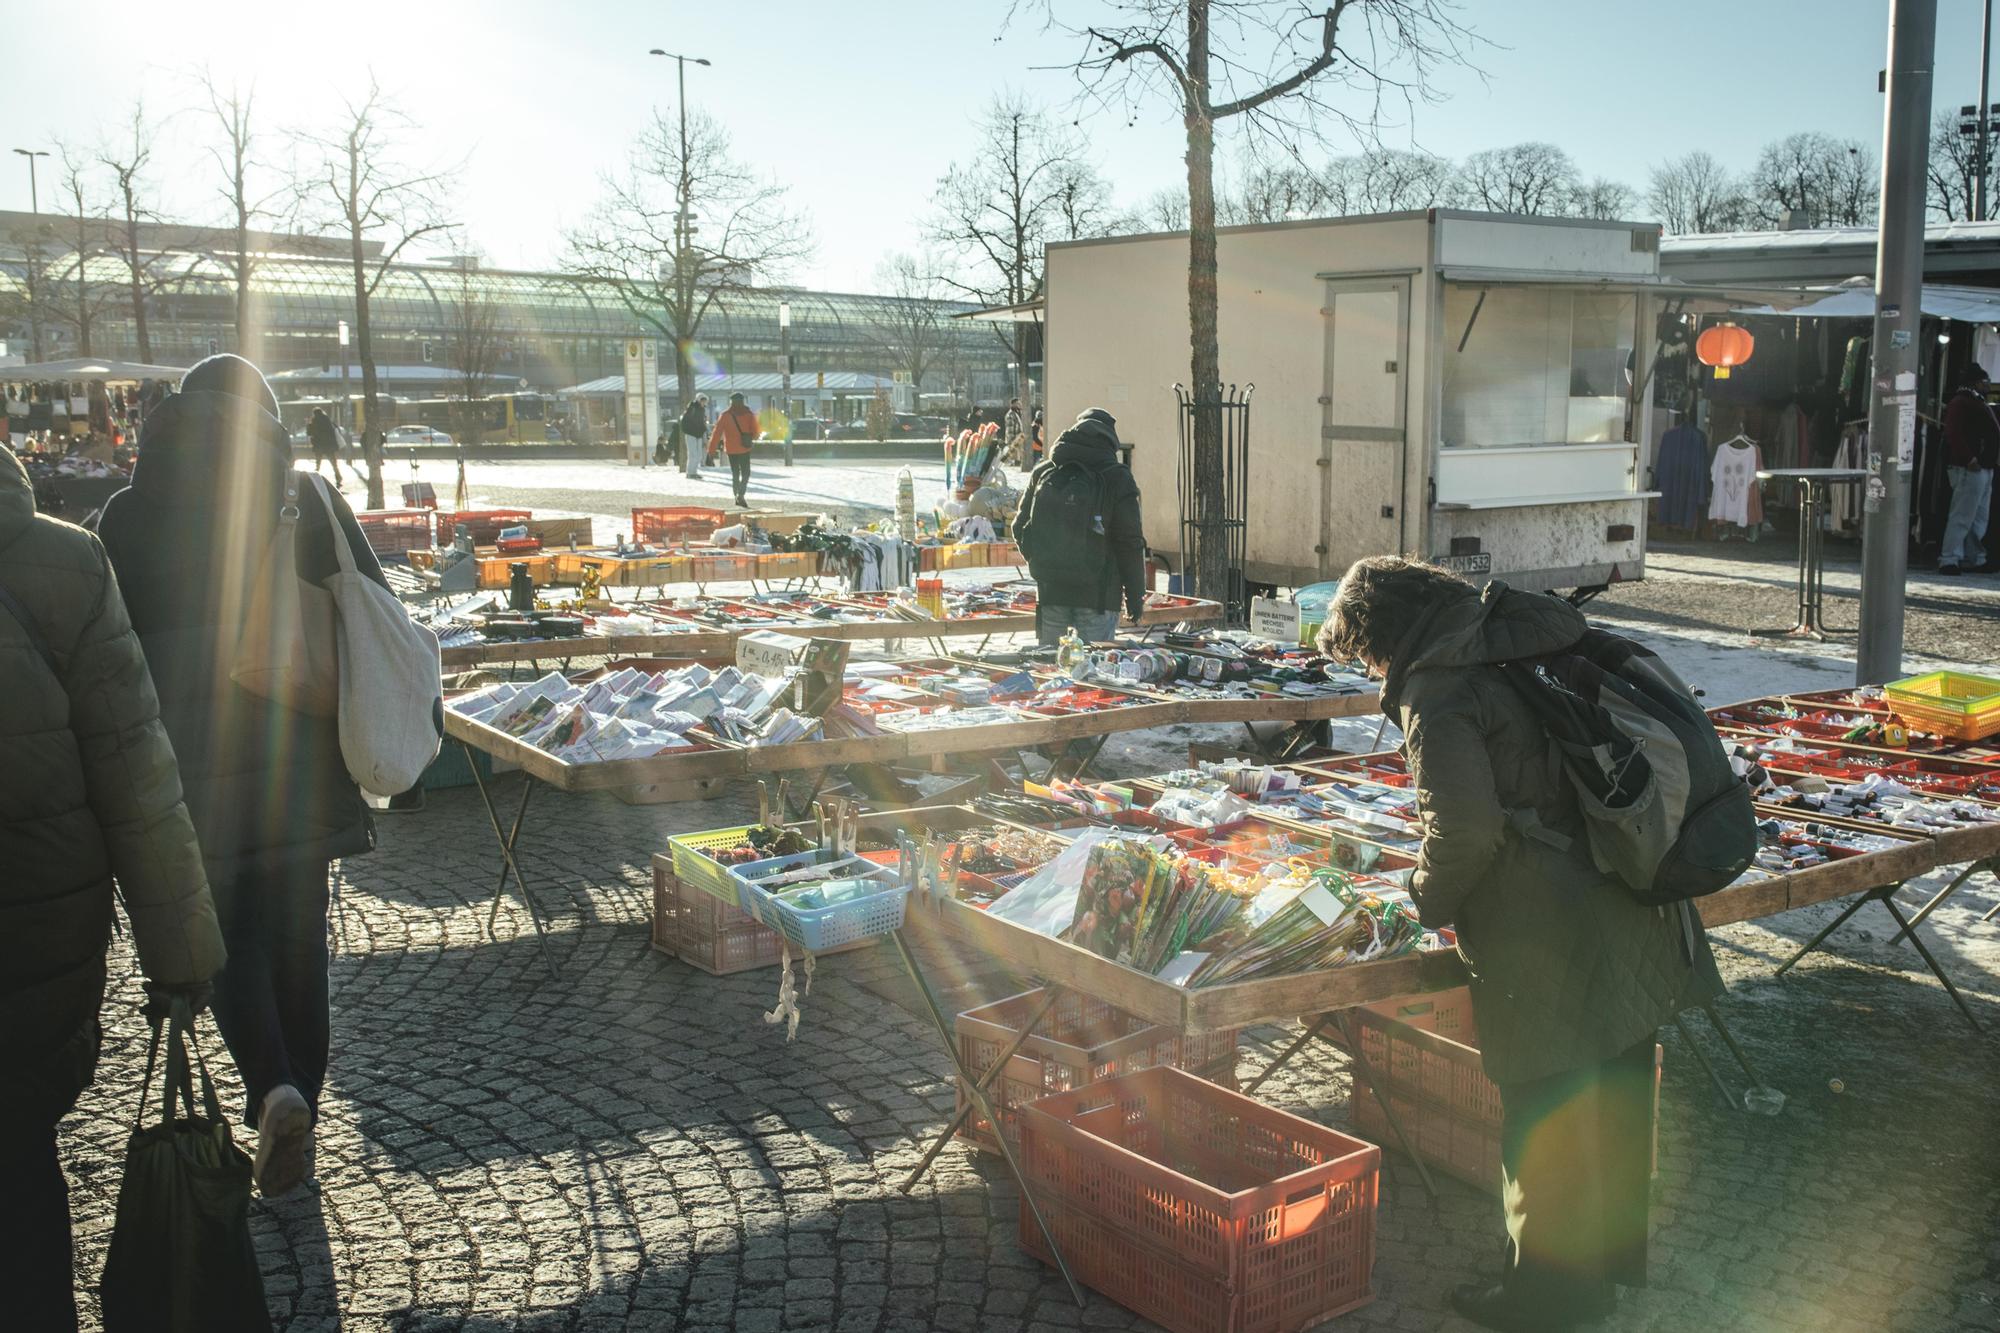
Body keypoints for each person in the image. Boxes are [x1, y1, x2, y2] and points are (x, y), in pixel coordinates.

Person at [1319, 557, 1723, 1333]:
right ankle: (1597, 1282)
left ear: (1381, 636)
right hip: (1627, 892)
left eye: (1364, 655)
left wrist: (1422, 900)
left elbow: (1465, 829)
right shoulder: (1515, 637)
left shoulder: (1439, 687)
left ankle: (1543, 1301)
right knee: (1612, 1100)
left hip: (1546, 930)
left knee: (1546, 1114)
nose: (1372, 670)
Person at [97, 353, 390, 1200]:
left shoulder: (127, 513)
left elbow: (103, 659)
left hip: (185, 776)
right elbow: (373, 611)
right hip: (296, 768)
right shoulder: (307, 497)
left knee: (229, 943)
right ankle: (299, 1097)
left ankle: (274, 1090)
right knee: (300, 939)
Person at [1, 445, 226, 1331]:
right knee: (18, 1160)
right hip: (39, 939)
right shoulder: (64, 562)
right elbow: (135, 771)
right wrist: (180, 959)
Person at [1014, 407, 1147, 645]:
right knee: (1093, 674)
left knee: (1047, 670)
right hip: (1098, 597)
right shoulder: (1117, 477)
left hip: (1051, 591)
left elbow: (1020, 526)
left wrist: (1041, 561)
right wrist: (1135, 597)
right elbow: (1129, 543)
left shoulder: (1045, 470)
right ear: (1110, 440)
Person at [1939, 364, 1999, 575]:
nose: (1987, 386)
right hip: (1970, 467)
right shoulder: (1962, 403)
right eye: (1984, 382)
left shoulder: (1972, 402)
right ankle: (1950, 558)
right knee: (1963, 515)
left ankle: (1973, 556)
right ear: (1975, 382)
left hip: (1982, 466)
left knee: (1977, 517)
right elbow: (1953, 433)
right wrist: (1969, 458)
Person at [708, 390, 761, 508]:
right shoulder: (748, 414)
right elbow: (756, 432)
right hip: (744, 448)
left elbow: (716, 433)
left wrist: (711, 450)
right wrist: (750, 436)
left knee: (735, 473)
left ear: (731, 402)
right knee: (746, 473)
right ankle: (740, 494)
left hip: (731, 449)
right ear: (743, 401)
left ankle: (736, 495)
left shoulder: (725, 415)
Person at [307, 406, 345, 482]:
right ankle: (338, 476)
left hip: (319, 445)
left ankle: (315, 479)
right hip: (329, 446)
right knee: (333, 462)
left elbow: (310, 433)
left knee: (318, 463)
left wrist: (309, 425)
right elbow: (333, 431)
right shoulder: (327, 420)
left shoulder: (314, 421)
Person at [680, 393, 710, 480]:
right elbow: (685, 421)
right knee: (693, 454)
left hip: (698, 434)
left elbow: (701, 422)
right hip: (691, 434)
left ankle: (694, 471)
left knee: (699, 455)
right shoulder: (692, 408)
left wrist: (703, 430)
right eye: (702, 400)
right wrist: (688, 431)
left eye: (705, 401)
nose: (704, 402)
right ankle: (690, 472)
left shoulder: (702, 409)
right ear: (699, 400)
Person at [1003, 397, 1026, 466]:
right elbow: (1010, 429)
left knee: (1017, 457)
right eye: (1018, 403)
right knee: (1013, 457)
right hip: (1014, 439)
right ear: (1013, 404)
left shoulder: (1016, 414)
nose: (1020, 405)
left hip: (1018, 439)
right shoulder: (1011, 415)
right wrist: (1012, 440)